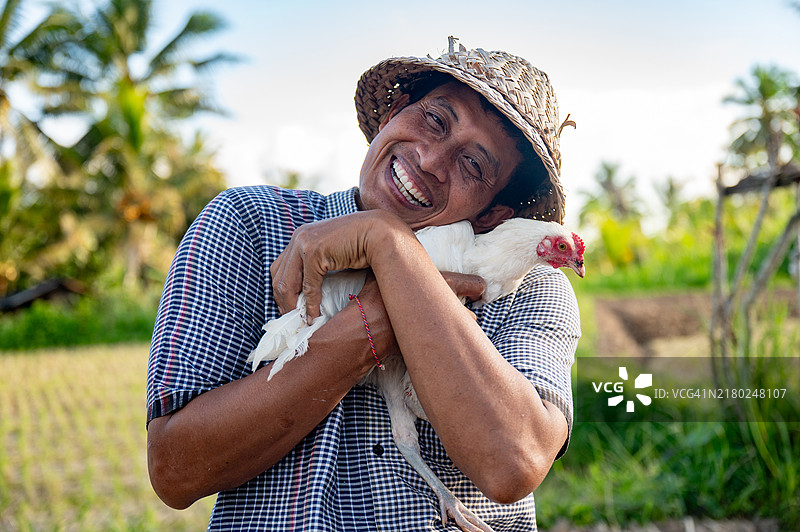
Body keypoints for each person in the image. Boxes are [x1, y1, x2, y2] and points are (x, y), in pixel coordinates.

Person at [146, 37, 581, 531]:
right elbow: (174, 469)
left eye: (473, 165)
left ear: (495, 213)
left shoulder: (532, 290)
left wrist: (388, 244)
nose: (432, 160)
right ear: (395, 110)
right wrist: (376, 318)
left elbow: (514, 463)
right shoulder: (250, 224)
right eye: (435, 121)